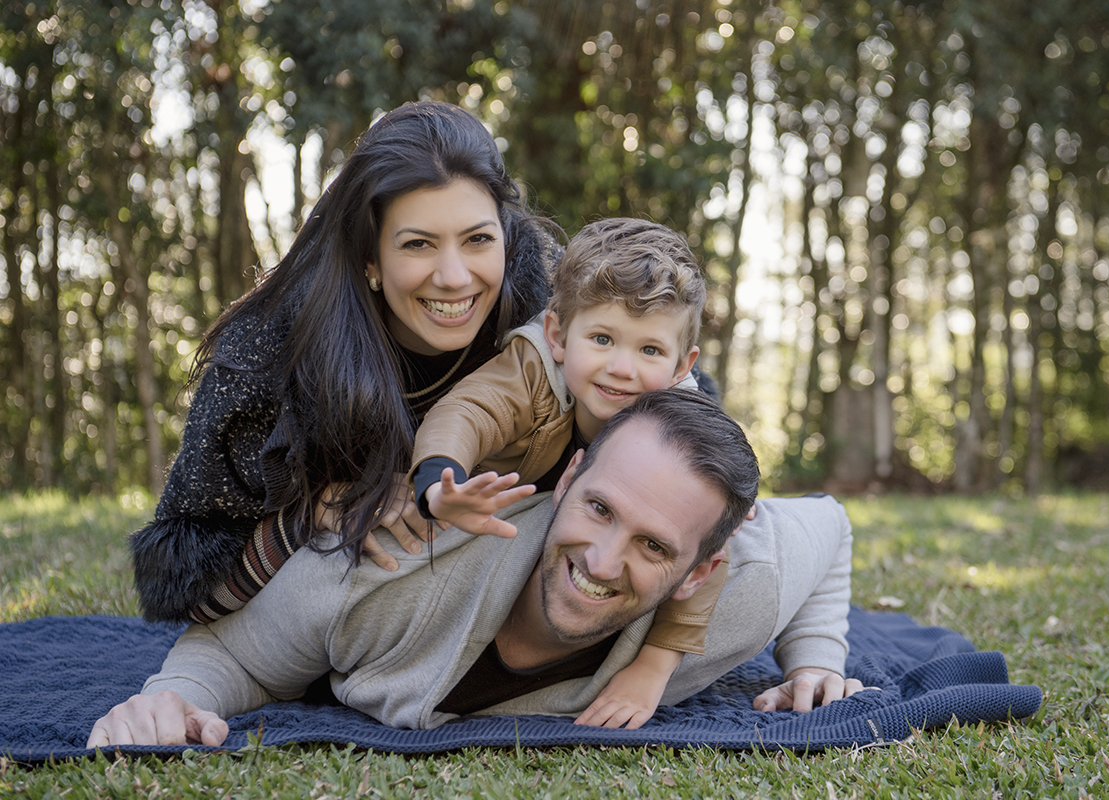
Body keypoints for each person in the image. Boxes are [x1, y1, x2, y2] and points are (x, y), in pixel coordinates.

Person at [88, 391, 862, 747]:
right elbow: (230, 651)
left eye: (654, 546)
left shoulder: (746, 585)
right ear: (571, 474)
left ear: (701, 570)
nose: (601, 561)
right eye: (598, 508)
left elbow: (830, 523)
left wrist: (816, 658)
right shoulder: (385, 572)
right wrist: (167, 702)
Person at [129, 101, 558, 625]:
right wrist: (316, 510)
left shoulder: (549, 308)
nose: (454, 276)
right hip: (318, 628)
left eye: (478, 240)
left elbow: (671, 412)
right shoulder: (271, 355)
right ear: (369, 258)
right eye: (418, 244)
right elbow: (176, 583)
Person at [407, 217, 716, 728]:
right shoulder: (534, 368)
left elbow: (709, 549)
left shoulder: (679, 421)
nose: (622, 367)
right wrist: (442, 480)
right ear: (557, 334)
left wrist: (654, 666)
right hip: (499, 528)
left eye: (650, 350)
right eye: (601, 338)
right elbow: (468, 412)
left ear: (684, 366)